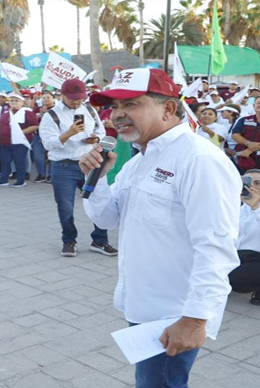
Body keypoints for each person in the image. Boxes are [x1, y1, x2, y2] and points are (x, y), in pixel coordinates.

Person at [81, 68, 241, 388]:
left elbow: (216, 246)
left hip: (174, 314)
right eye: (114, 106)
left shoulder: (199, 159)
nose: (118, 115)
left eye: (132, 104)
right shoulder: (138, 160)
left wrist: (195, 319)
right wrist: (97, 180)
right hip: (142, 306)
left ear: (168, 108)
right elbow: (108, 219)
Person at [38, 79, 116, 257]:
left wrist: (95, 138)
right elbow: (49, 144)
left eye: (80, 98)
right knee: (65, 207)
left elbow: (101, 131)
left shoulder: (88, 110)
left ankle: (100, 240)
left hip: (89, 163)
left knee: (98, 203)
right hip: (63, 166)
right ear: (62, 95)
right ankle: (69, 241)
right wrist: (69, 133)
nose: (76, 102)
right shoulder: (51, 116)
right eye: (72, 98)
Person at [0, 93, 39, 187]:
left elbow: (34, 126)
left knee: (19, 160)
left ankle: (21, 180)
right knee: (5, 161)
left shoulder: (27, 112)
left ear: (22, 102)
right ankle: (3, 179)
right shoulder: (5, 112)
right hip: (5, 142)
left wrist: (20, 132)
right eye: (12, 100)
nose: (13, 102)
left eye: (16, 100)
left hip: (20, 141)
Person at [230, 168, 260, 305]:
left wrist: (256, 209)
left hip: (256, 258)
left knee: (237, 280)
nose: (252, 187)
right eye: (247, 183)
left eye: (258, 183)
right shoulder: (236, 207)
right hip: (237, 254)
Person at [230, 100, 260, 172]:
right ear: (253, 106)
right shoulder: (244, 120)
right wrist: (248, 143)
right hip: (244, 159)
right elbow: (235, 135)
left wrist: (251, 149)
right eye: (258, 103)